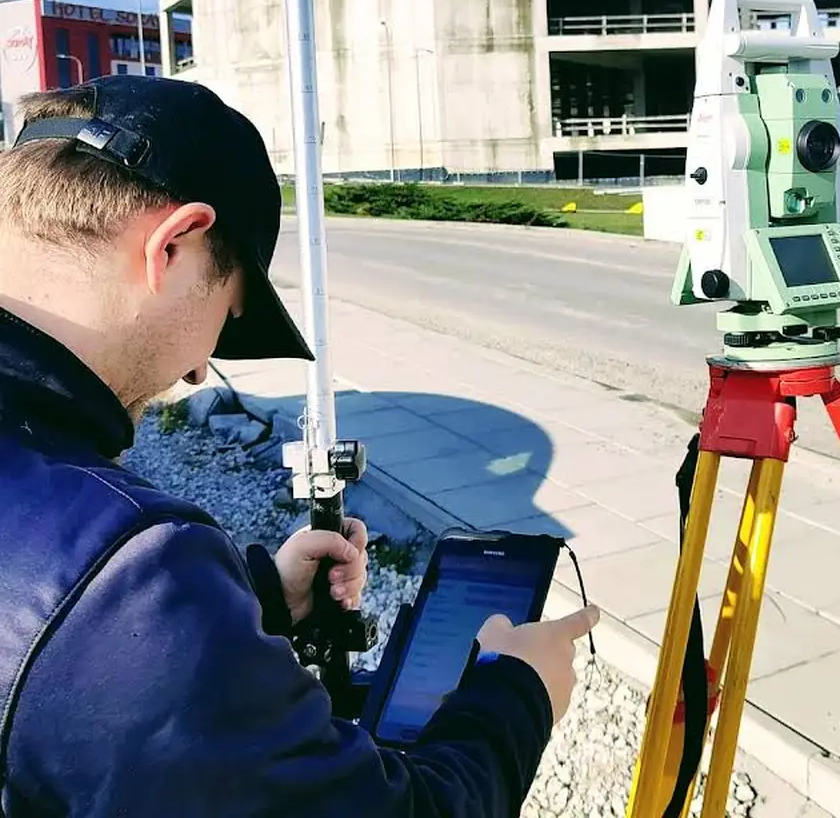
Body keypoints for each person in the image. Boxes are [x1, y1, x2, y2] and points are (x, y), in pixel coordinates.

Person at [0, 75, 598, 817]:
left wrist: (248, 604)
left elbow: (57, 669)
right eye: (225, 313)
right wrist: (521, 692)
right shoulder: (123, 570)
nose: (198, 371)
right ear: (172, 245)